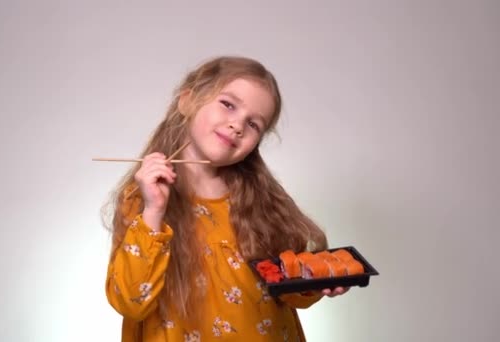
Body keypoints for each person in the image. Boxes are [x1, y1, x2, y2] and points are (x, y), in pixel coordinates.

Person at [101, 56, 349, 341]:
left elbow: (289, 291)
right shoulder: (144, 200)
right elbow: (131, 303)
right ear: (187, 101)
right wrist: (154, 212)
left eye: (254, 124)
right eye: (228, 104)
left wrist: (312, 284)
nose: (237, 125)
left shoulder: (263, 201)